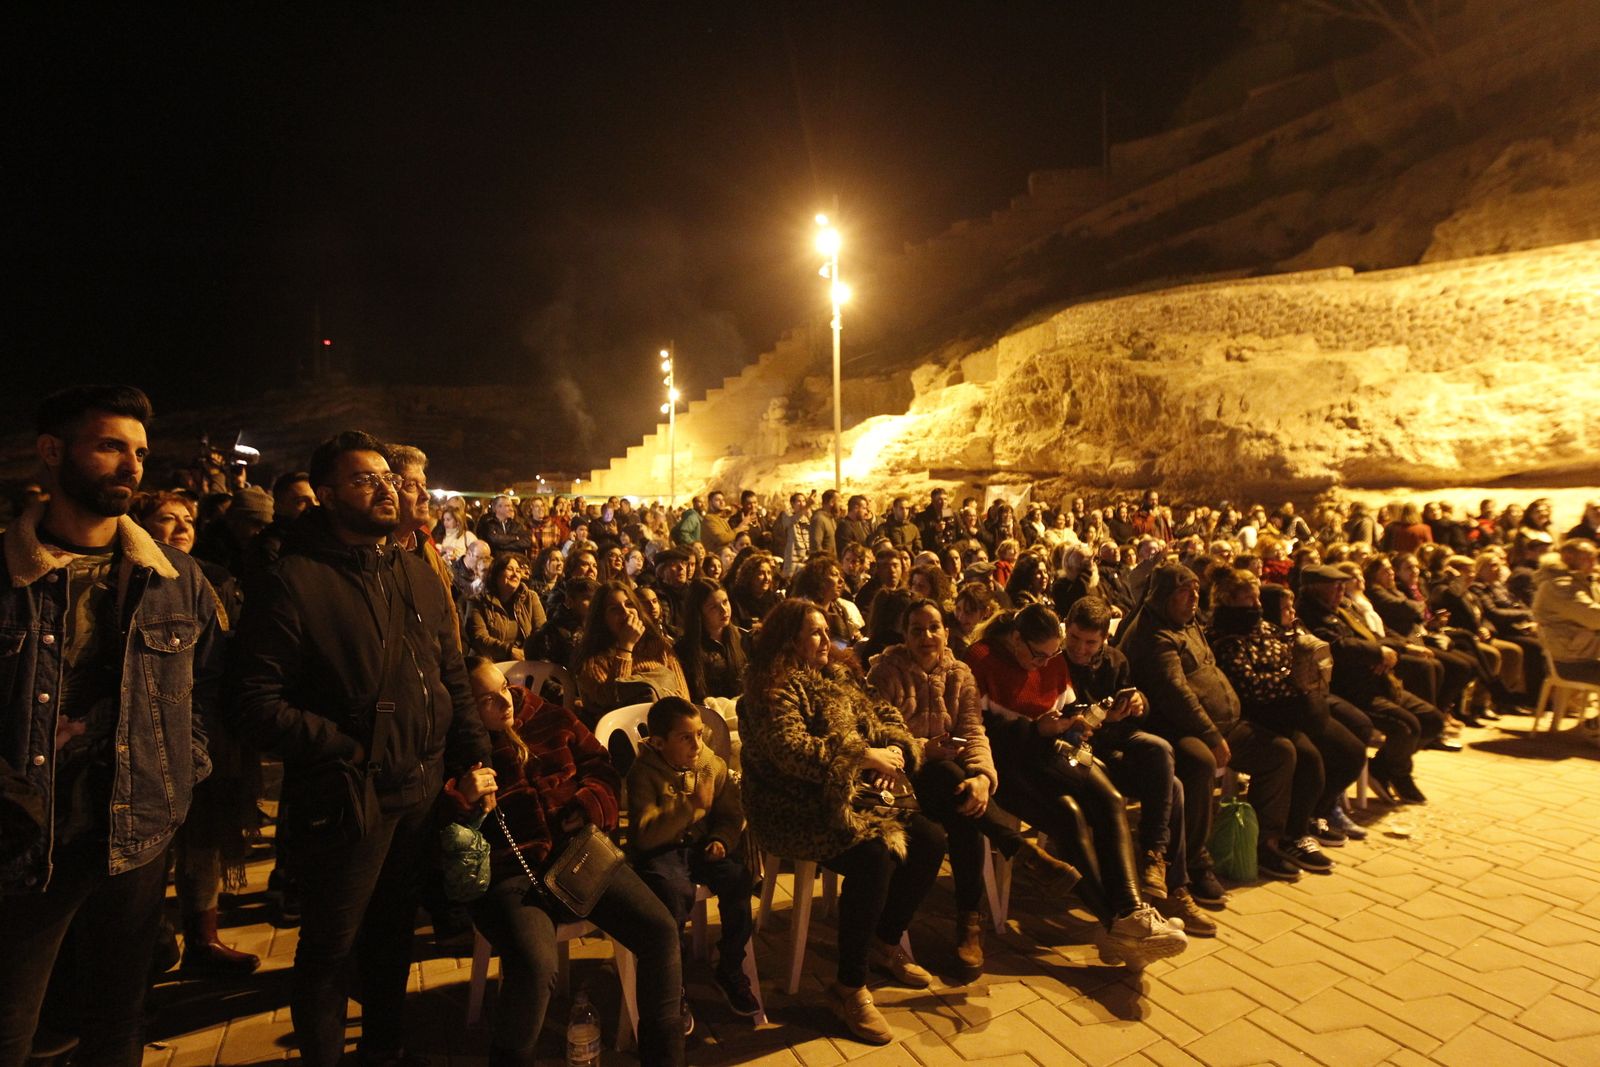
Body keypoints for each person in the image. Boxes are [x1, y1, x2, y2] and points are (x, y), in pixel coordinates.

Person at [226, 430, 490, 1066]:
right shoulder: (294, 580)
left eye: (389, 479)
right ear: (324, 494)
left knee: (393, 935)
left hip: (421, 788)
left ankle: (384, 1047)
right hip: (349, 796)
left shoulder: (416, 573)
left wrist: (473, 754)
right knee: (330, 951)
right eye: (364, 479)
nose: (386, 490)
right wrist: (342, 746)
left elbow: (449, 672)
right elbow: (252, 702)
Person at [0, 386, 223, 1067]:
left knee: (116, 1026)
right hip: (21, 840)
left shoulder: (175, 577)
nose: (132, 465)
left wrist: (183, 764)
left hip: (135, 835)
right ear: (51, 452)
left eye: (140, 452)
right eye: (110, 446)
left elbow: (209, 686)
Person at [738, 599, 946, 1045]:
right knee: (874, 856)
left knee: (930, 838)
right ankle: (849, 986)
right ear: (787, 639)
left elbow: (884, 714)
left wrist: (893, 749)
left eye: (825, 631)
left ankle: (884, 943)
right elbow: (789, 750)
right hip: (792, 804)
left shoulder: (840, 673)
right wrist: (860, 756)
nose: (824, 641)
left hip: (851, 793)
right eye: (813, 633)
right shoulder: (768, 686)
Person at [459, 659, 684, 1067]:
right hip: (511, 872)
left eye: (504, 690)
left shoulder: (547, 715)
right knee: (535, 966)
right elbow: (438, 827)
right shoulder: (459, 745)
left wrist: (590, 802)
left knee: (660, 931)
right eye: (487, 700)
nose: (504, 704)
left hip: (577, 855)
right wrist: (463, 797)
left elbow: (600, 765)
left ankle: (666, 1058)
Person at [867, 598, 1076, 976]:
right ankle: (986, 895)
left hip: (950, 781)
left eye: (934, 628)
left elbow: (973, 731)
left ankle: (969, 921)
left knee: (964, 805)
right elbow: (881, 737)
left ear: (947, 633)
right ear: (906, 636)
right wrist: (923, 749)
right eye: (917, 629)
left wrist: (982, 776)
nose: (927, 636)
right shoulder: (886, 674)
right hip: (901, 779)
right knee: (950, 779)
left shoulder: (959, 673)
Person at [131, 491, 261, 974]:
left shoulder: (214, 578)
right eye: (167, 518)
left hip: (206, 730)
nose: (182, 526)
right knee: (149, 855)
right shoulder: (131, 577)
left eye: (188, 518)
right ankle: (152, 944)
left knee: (202, 839)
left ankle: (203, 940)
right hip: (146, 735)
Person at [1059, 598, 1216, 936]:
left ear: (1104, 639)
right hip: (1080, 756)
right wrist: (1100, 718)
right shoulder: (1054, 662)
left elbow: (1130, 714)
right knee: (1171, 787)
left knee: (1161, 754)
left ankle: (1158, 866)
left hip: (1114, 745)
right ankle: (1164, 879)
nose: (1080, 648)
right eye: (1074, 638)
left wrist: (1137, 704)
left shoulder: (1115, 661)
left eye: (1090, 642)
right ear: (1065, 627)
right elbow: (1062, 725)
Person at [626, 697, 761, 1023]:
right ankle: (674, 983)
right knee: (673, 893)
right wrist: (690, 808)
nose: (697, 744)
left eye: (700, 734)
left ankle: (729, 967)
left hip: (702, 845)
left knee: (738, 880)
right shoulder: (642, 773)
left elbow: (730, 815)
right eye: (686, 737)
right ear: (659, 742)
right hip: (662, 850)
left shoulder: (710, 765)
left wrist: (721, 840)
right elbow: (644, 834)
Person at [574, 580, 690, 717]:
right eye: (614, 609)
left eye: (629, 604)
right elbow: (614, 703)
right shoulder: (592, 659)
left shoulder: (658, 644)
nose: (626, 612)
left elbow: (684, 696)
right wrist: (625, 647)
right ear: (602, 618)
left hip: (670, 723)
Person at [1532, 539, 1600, 685]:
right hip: (1571, 662)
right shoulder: (1560, 586)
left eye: (1594, 556)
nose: (1593, 561)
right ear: (1568, 558)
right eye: (1587, 557)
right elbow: (1595, 618)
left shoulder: (1583, 581)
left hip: (1588, 653)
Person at [674, 577, 747, 702]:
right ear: (699, 613)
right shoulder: (686, 649)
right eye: (713, 607)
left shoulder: (741, 637)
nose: (724, 610)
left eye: (725, 602)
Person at [468, 554, 547, 662]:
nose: (515, 574)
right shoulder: (478, 602)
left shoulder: (530, 597)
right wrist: (509, 651)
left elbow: (542, 631)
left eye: (518, 571)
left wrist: (529, 651)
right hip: (490, 663)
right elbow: (479, 638)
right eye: (510, 569)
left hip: (524, 662)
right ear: (496, 573)